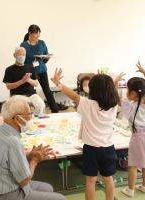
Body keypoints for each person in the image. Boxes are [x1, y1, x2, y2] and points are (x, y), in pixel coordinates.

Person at [51, 68, 119, 200]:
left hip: (91, 148)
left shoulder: (88, 104)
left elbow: (74, 96)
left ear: (94, 90)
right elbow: (110, 92)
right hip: (108, 147)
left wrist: (58, 84)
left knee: (90, 180)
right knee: (108, 178)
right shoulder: (114, 105)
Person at [0, 95, 65, 200]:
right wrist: (35, 160)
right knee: (61, 199)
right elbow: (25, 180)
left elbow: (7, 160)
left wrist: (29, 155)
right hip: (8, 194)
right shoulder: (13, 142)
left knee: (48, 188)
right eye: (29, 114)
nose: (31, 117)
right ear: (17, 119)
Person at [119, 63, 145, 197]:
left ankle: (130, 189)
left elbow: (112, 95)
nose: (125, 92)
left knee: (133, 165)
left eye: (127, 89)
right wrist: (144, 71)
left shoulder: (129, 105)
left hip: (139, 137)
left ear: (132, 93)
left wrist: (115, 81)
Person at [21, 24, 59, 113]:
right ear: (30, 33)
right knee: (31, 92)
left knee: (47, 91)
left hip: (42, 70)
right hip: (30, 71)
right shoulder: (23, 45)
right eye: (35, 34)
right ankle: (35, 111)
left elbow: (45, 57)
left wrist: (47, 57)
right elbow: (22, 60)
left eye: (38, 34)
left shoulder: (42, 43)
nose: (37, 36)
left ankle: (55, 110)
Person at [3, 47, 45, 116]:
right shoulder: (9, 70)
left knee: (40, 104)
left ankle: (34, 121)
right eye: (20, 55)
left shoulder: (31, 68)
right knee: (22, 110)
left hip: (31, 95)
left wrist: (28, 80)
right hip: (17, 96)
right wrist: (22, 81)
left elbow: (36, 83)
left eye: (23, 55)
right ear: (14, 55)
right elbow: (8, 86)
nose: (22, 57)